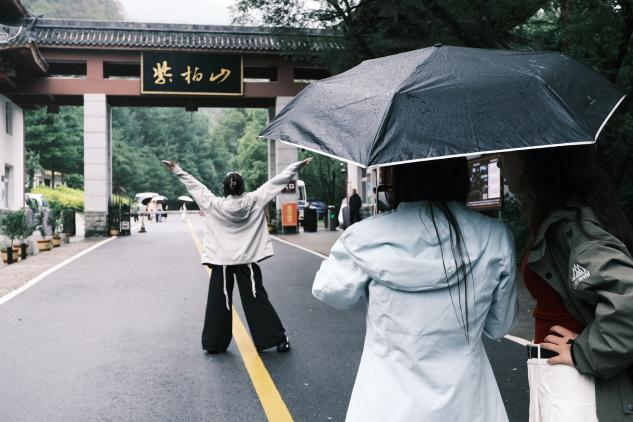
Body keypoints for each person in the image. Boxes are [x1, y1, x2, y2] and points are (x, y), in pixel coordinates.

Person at [312, 158, 517, 421]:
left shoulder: (364, 237)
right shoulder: (495, 235)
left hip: (385, 404)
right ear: (460, 178)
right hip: (468, 403)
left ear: (398, 178)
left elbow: (329, 291)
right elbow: (499, 327)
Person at [500, 146, 633, 422]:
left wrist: (584, 351)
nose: (501, 164)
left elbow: (628, 301)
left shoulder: (571, 229)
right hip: (561, 377)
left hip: (576, 385)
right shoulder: (560, 221)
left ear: (535, 160)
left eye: (508, 155)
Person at [163, 158, 312, 353]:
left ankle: (214, 344)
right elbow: (278, 182)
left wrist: (176, 169)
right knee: (256, 298)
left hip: (221, 261)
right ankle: (276, 340)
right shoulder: (256, 199)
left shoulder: (213, 204)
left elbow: (195, 186)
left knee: (219, 300)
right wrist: (296, 165)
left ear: (224, 188)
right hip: (247, 261)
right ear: (242, 187)